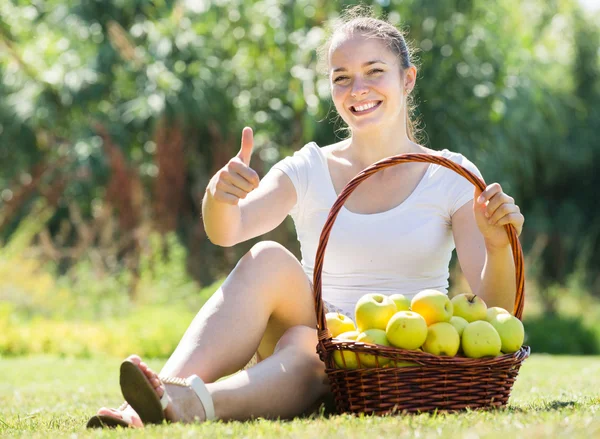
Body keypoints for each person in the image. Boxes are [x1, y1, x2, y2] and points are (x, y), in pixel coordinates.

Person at [87, 7, 524, 428]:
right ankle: (162, 392)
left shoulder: (450, 176)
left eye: (375, 71)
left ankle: (190, 404)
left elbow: (497, 310)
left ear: (407, 79)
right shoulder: (308, 168)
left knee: (304, 347)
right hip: (324, 332)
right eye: (341, 78)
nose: (358, 89)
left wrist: (497, 243)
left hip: (404, 355)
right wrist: (218, 197)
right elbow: (228, 230)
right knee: (269, 260)